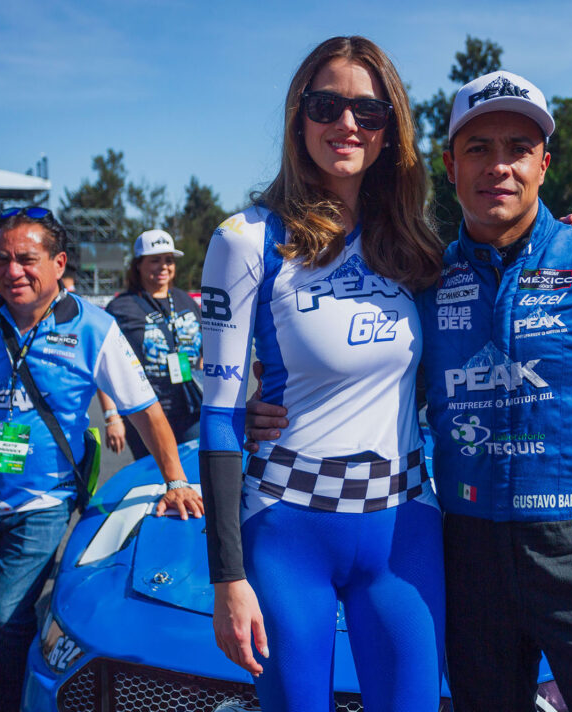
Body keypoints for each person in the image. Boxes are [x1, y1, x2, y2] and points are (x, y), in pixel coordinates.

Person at [249, 69, 572, 711]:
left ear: (544, 165)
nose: (499, 167)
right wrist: (273, 410)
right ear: (451, 166)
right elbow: (369, 381)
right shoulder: (422, 277)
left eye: (518, 149)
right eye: (479, 148)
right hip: (467, 555)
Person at [198, 37, 448, 711]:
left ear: (390, 130)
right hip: (288, 529)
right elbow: (218, 416)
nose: (346, 124)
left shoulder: (416, 245)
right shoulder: (246, 239)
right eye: (326, 105)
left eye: (368, 111)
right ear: (298, 116)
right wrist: (227, 578)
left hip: (404, 528)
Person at [0, 206, 203, 712]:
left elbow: (145, 411)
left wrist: (176, 481)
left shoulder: (94, 327)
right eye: (2, 259)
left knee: (9, 618)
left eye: (27, 259)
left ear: (59, 262)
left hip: (41, 504)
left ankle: (12, 704)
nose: (12, 271)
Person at [98, 229, 202, 458]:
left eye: (169, 260)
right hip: (146, 412)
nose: (163, 266)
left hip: (191, 408)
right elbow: (104, 363)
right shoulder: (121, 308)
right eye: (155, 260)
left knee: (194, 471)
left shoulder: (185, 300)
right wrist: (111, 416)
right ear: (138, 265)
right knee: (157, 474)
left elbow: (204, 349)